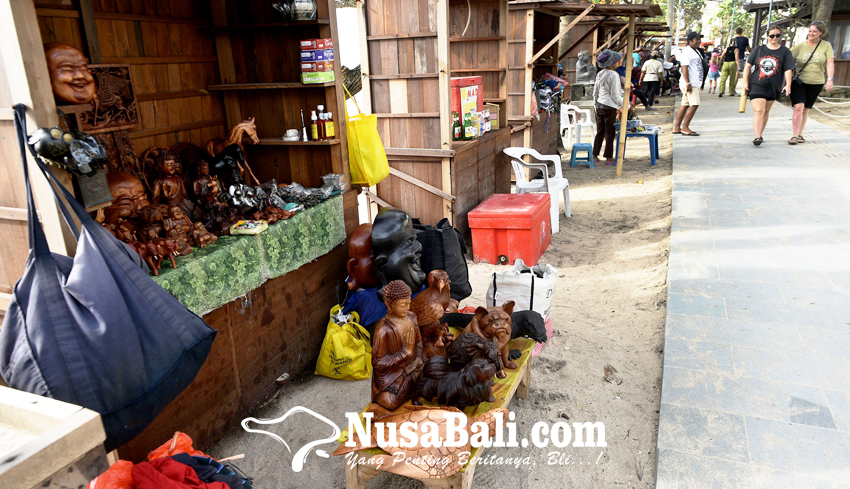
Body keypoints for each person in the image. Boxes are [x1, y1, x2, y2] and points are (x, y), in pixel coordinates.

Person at [743, 26, 795, 146]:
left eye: (777, 35)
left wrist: (788, 85)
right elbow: (748, 65)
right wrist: (745, 82)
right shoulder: (759, 49)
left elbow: (788, 69)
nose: (774, 38)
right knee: (759, 110)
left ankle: (760, 134)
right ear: (767, 36)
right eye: (772, 36)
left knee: (766, 111)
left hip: (773, 86)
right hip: (757, 84)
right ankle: (757, 137)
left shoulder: (785, 51)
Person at [789, 20, 835, 144]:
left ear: (821, 33)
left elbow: (830, 63)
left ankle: (800, 134)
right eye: (810, 31)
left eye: (815, 31)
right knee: (799, 106)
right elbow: (788, 61)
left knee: (806, 108)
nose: (811, 33)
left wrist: (829, 79)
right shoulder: (800, 46)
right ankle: (794, 135)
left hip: (816, 81)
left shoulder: (826, 46)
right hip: (799, 81)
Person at [592, 50, 624, 165]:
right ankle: (609, 157)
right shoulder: (614, 75)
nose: (617, 64)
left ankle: (594, 155)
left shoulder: (600, 73)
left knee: (600, 131)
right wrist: (624, 105)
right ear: (611, 64)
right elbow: (615, 95)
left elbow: (595, 92)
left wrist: (595, 106)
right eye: (616, 62)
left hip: (600, 104)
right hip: (610, 106)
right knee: (610, 132)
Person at [674, 32, 704, 136]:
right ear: (690, 41)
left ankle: (677, 127)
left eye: (699, 39)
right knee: (694, 104)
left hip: (693, 82)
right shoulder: (687, 52)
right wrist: (688, 83)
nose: (699, 41)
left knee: (684, 105)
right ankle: (685, 127)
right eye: (696, 39)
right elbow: (684, 67)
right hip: (691, 82)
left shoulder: (695, 51)